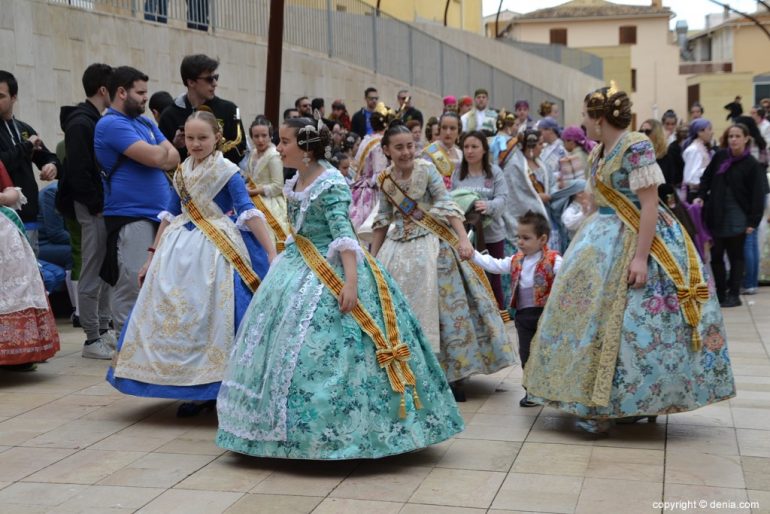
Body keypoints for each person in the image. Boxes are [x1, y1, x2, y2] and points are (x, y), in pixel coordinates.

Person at [215, 117, 464, 459]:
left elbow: (343, 237)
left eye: (284, 141)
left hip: (332, 269)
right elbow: (299, 230)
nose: (279, 147)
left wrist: (350, 283)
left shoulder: (330, 182)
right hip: (298, 264)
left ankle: (349, 434)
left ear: (305, 149)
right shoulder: (296, 180)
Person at [523, 85, 736, 434]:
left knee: (631, 324)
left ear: (600, 118)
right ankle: (604, 402)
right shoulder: (598, 151)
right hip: (600, 238)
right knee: (592, 320)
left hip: (637, 238)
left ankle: (619, 405)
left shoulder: (636, 146)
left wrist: (639, 258)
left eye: (586, 116)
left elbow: (651, 204)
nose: (582, 122)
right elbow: (598, 199)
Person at [108, 111, 275, 416]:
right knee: (175, 314)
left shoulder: (228, 171)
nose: (195, 144)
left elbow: (247, 210)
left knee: (214, 315)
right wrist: (150, 257)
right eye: (190, 138)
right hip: (176, 250)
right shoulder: (182, 170)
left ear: (217, 139)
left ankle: (218, 386)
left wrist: (272, 253)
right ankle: (187, 386)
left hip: (216, 251)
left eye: (203, 138)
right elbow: (169, 214)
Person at [370, 122, 513, 401]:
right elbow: (382, 220)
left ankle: (454, 373)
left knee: (445, 309)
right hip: (397, 248)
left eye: (410, 145)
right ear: (386, 150)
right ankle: (407, 366)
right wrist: (373, 257)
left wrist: (462, 239)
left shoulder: (427, 169)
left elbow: (447, 204)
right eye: (399, 147)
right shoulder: (385, 180)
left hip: (434, 244)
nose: (406, 152)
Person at [95, 66, 181, 339]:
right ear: (121, 92)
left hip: (159, 217)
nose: (146, 98)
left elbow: (175, 155)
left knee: (158, 283)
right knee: (132, 283)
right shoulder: (110, 124)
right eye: (140, 92)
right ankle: (125, 347)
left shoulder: (144, 123)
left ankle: (146, 348)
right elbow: (158, 158)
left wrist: (162, 152)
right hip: (131, 217)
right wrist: (161, 152)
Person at [473, 210, 561, 407]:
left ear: (542, 239)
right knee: (526, 354)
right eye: (518, 237)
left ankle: (550, 389)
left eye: (526, 238)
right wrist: (473, 255)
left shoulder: (554, 260)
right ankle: (531, 392)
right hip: (523, 316)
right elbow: (494, 265)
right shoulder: (516, 260)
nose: (520, 242)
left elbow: (566, 277)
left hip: (546, 316)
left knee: (547, 353)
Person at [58, 63, 117, 360]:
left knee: (104, 268)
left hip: (99, 205)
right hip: (91, 207)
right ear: (103, 90)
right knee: (93, 268)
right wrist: (95, 205)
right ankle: (92, 337)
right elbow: (80, 171)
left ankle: (104, 330)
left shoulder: (92, 120)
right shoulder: (81, 123)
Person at [695, 123, 767, 307]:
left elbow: (757, 195)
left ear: (745, 139)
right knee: (717, 256)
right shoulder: (720, 157)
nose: (733, 139)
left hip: (738, 216)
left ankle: (734, 294)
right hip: (717, 213)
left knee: (736, 255)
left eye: (737, 136)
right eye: (730, 136)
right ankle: (720, 292)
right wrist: (701, 196)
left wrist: (753, 221)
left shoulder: (751, 164)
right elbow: (706, 178)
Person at [0, 162, 60, 371]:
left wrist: (4, 197)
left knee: (16, 289)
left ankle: (17, 356)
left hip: (4, 238)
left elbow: (10, 190)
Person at [0, 70, 59, 255]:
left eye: (1, 96)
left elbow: (48, 156)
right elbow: (3, 163)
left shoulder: (23, 129)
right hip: (4, 217)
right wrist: (26, 146)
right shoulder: (27, 140)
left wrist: (51, 166)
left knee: (33, 272)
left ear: (14, 97)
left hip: (29, 215)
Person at [452, 130, 509, 307]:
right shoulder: (458, 172)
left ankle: (501, 318)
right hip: (467, 237)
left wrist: (488, 206)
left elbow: (503, 198)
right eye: (466, 147)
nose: (470, 151)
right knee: (469, 278)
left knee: (493, 279)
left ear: (484, 149)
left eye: (474, 147)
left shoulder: (495, 172)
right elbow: (452, 200)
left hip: (492, 235)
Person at [158, 54, 247, 165]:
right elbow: (162, 159)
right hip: (184, 179)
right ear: (191, 82)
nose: (215, 83)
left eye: (216, 77)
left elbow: (241, 147)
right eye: (209, 79)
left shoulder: (229, 109)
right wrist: (174, 145)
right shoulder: (169, 115)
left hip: (222, 178)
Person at [243, 116, 289, 249]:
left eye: (264, 135)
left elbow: (278, 186)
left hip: (271, 202)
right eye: (256, 136)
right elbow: (250, 176)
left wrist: (254, 191)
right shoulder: (253, 153)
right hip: (252, 198)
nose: (260, 140)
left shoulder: (273, 155)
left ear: (270, 136)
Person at [349, 110, 389, 232]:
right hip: (373, 189)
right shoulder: (380, 144)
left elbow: (356, 165)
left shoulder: (366, 139)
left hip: (361, 186)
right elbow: (379, 173)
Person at [423, 112, 462, 190]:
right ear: (439, 130)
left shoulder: (461, 154)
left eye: (452, 128)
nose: (448, 132)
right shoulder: (431, 150)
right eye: (444, 128)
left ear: (459, 132)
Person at [682, 118, 713, 202]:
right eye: (709, 129)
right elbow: (690, 177)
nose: (711, 132)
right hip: (696, 195)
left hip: (703, 192)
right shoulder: (694, 150)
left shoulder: (702, 148)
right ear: (700, 132)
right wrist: (709, 172)